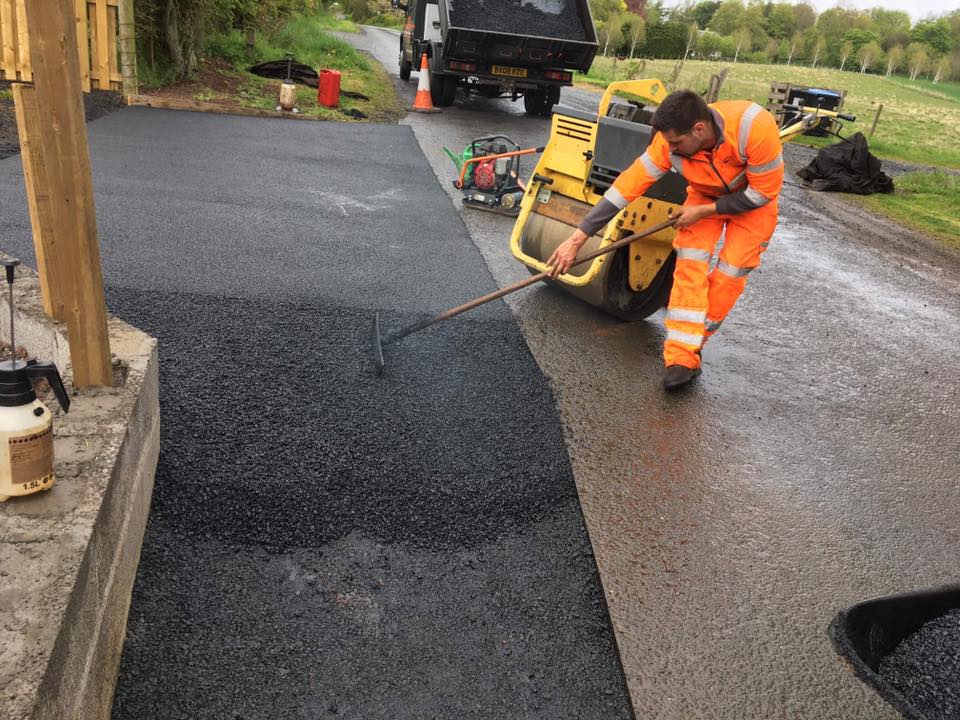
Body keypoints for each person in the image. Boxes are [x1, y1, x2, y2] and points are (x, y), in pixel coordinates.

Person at [547, 90, 784, 391]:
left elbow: (762, 193)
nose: (670, 149)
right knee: (689, 267)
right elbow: (626, 188)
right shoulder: (667, 141)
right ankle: (681, 360)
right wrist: (577, 239)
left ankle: (695, 343)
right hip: (704, 194)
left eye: (675, 143)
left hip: (753, 204)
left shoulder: (754, 128)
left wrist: (705, 211)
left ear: (699, 129)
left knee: (730, 272)